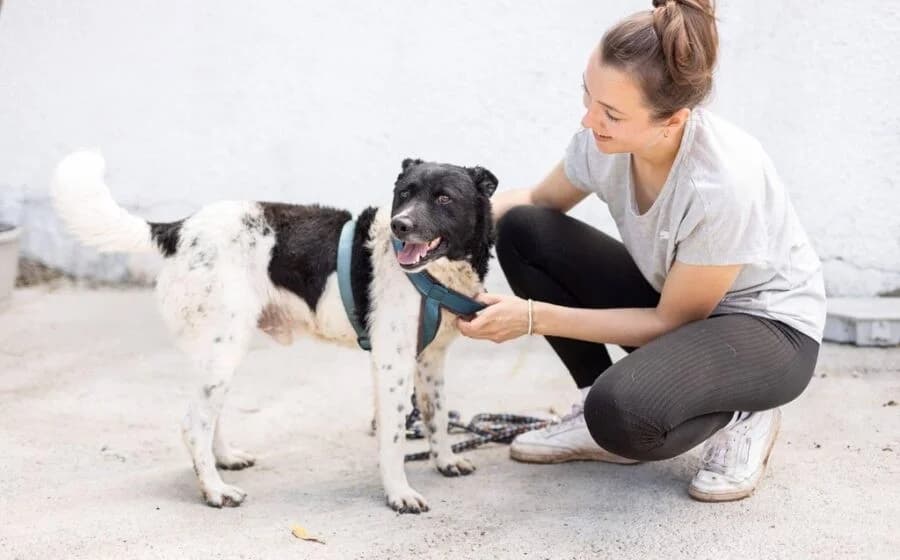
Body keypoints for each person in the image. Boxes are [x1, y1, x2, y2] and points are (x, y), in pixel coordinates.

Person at [456, 0, 825, 502]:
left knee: (622, 416)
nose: (589, 119)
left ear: (671, 121)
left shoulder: (721, 185)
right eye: (588, 94)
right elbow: (539, 202)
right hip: (680, 307)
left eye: (610, 112)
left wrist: (531, 318)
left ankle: (744, 410)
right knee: (523, 230)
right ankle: (591, 401)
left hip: (768, 333)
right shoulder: (601, 140)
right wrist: (441, 231)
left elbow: (670, 322)